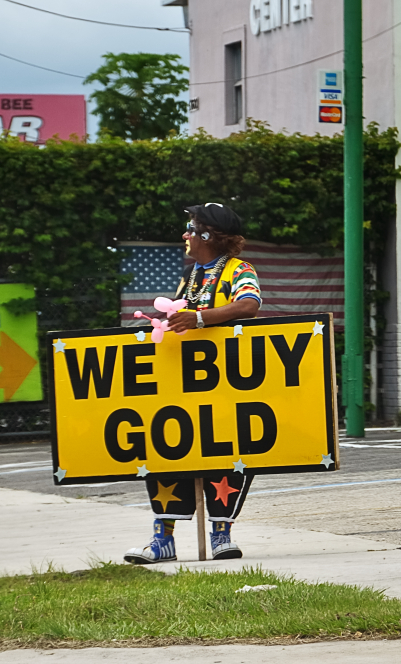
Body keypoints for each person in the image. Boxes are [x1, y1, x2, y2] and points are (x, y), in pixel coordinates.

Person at [124, 202, 262, 564]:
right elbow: (183, 316)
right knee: (167, 449)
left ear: (208, 236)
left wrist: (198, 318)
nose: (185, 235)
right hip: (184, 385)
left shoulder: (238, 269)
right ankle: (162, 540)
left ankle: (221, 536)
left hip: (228, 383)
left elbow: (249, 304)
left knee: (227, 453)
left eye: (191, 228)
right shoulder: (192, 275)